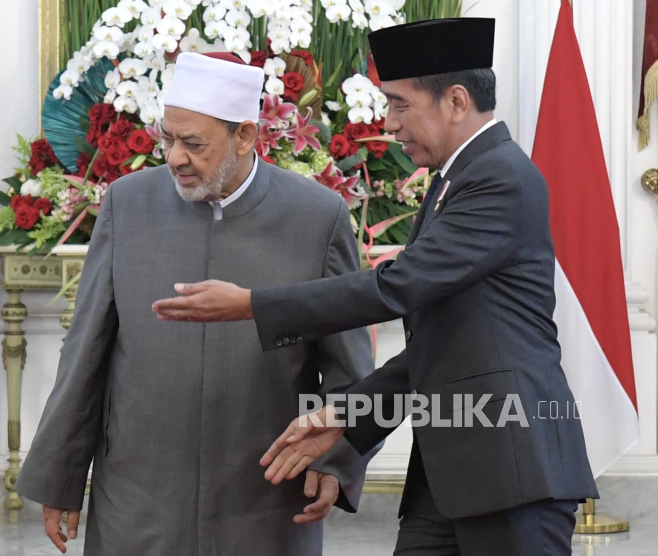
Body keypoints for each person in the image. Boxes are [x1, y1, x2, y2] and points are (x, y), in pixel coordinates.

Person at [152, 19, 598, 556]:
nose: (388, 124)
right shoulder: (453, 182)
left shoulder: (499, 176)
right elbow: (442, 343)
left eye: (400, 105)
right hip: (458, 475)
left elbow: (397, 287)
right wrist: (346, 416)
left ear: (455, 101)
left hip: (515, 470)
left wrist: (251, 304)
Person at [15, 51, 376, 556]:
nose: (174, 157)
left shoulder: (317, 216)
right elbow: (85, 353)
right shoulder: (127, 203)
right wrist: (61, 478)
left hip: (264, 504)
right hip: (139, 503)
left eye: (193, 144)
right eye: (167, 138)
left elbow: (349, 366)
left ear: (246, 137)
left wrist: (336, 461)